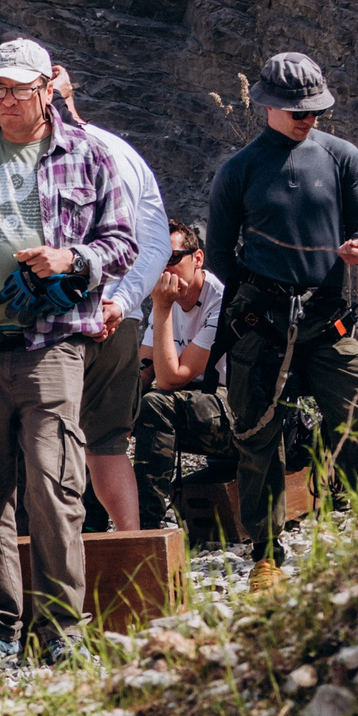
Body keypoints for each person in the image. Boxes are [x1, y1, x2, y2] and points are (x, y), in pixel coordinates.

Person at [0, 37, 137, 665]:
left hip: (53, 344)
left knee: (54, 483)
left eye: (18, 88)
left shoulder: (88, 153)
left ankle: (61, 630)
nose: (6, 99)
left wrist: (72, 258)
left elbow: (122, 242)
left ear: (47, 88)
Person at [205, 50, 358, 591]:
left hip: (330, 319)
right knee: (259, 439)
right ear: (268, 106)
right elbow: (218, 259)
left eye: (314, 109)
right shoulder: (237, 170)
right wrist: (242, 318)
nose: (308, 117)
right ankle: (265, 553)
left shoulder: (341, 156)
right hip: (261, 323)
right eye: (297, 110)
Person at [49, 62, 172, 533]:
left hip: (62, 319)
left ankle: (59, 558)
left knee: (49, 438)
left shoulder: (44, 153)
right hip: (123, 319)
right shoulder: (124, 151)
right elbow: (155, 242)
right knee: (107, 445)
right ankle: (131, 548)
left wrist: (108, 303)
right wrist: (121, 303)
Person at [132, 223, 235, 531]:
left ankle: (149, 523)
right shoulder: (168, 297)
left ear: (197, 258)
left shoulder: (221, 302)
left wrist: (162, 309)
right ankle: (92, 527)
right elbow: (145, 366)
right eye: (159, 260)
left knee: (155, 404)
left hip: (233, 408)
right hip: (190, 401)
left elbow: (170, 379)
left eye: (174, 258)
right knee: (107, 410)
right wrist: (118, 406)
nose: (166, 269)